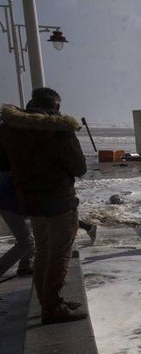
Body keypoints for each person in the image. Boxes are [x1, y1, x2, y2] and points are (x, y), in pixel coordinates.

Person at [0, 87, 88, 323]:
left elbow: (3, 163)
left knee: (43, 250)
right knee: (60, 252)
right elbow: (79, 167)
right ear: (56, 106)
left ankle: (48, 301)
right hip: (59, 200)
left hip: (30, 201)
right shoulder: (60, 130)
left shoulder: (9, 129)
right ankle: (53, 307)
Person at [0, 170, 33, 278]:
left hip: (11, 204)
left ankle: (25, 266)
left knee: (30, 236)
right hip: (10, 206)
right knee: (26, 242)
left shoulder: (16, 161)